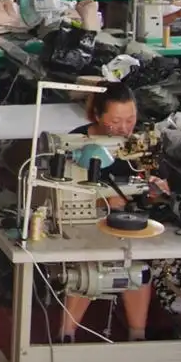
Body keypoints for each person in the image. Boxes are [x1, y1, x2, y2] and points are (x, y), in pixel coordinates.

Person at [53, 84, 155, 342]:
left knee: (138, 260)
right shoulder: (78, 143)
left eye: (130, 119)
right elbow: (64, 194)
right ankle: (66, 334)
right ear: (97, 115)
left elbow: (149, 178)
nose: (124, 128)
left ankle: (138, 335)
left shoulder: (136, 143)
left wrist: (156, 186)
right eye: (116, 121)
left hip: (126, 221)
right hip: (84, 220)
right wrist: (102, 201)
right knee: (90, 260)